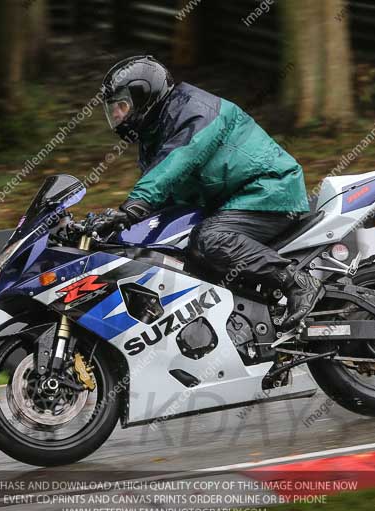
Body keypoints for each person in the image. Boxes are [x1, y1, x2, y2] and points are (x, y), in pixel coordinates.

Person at [101, 55, 323, 331]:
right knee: (179, 252)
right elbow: (167, 195)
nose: (118, 116)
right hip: (233, 201)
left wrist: (133, 206)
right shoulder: (155, 133)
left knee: (209, 240)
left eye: (122, 106)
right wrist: (114, 230)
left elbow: (177, 161)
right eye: (113, 110)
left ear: (145, 97)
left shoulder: (193, 110)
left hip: (269, 191)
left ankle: (296, 281)